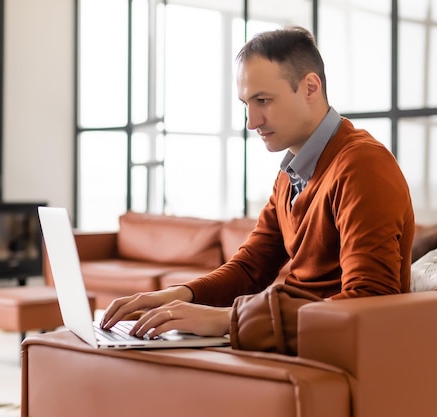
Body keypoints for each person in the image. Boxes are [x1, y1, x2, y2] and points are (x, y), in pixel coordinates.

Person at [101, 26, 415, 344]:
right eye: (246, 104)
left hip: (329, 348)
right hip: (288, 339)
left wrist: (228, 319)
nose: (252, 122)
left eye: (263, 100)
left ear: (310, 87)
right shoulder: (290, 175)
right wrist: (178, 296)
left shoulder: (362, 164)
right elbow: (251, 269)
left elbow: (371, 301)